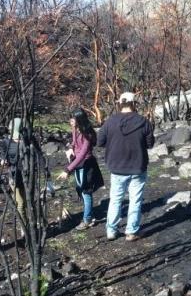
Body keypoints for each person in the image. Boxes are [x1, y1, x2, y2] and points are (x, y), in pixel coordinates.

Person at [97, 92, 155, 241]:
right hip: (138, 166)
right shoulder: (144, 121)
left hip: (116, 167)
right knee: (135, 200)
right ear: (134, 103)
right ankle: (131, 231)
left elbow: (100, 141)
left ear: (119, 104)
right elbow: (150, 144)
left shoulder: (110, 121)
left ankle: (111, 231)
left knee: (115, 199)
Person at [57, 109, 104, 230]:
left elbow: (83, 154)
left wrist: (68, 170)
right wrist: (71, 148)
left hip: (86, 164)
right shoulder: (75, 129)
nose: (70, 121)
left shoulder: (87, 134)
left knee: (86, 192)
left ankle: (87, 219)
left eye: (73, 119)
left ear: (79, 120)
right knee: (80, 189)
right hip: (78, 164)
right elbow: (74, 142)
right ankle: (88, 214)